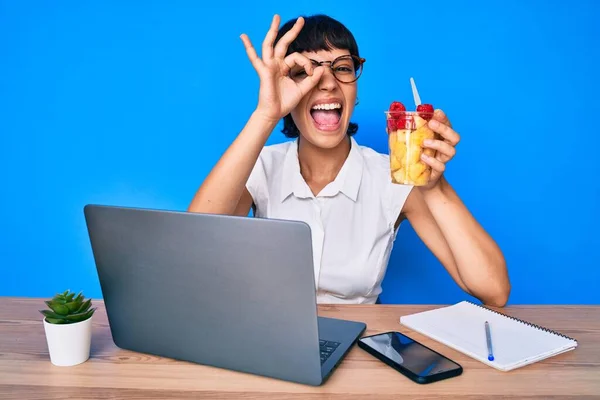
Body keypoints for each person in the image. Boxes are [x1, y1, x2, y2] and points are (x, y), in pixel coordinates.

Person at [187, 14, 510, 307]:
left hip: (361, 348)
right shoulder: (260, 166)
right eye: (305, 71)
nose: (327, 82)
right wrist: (266, 114)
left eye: (342, 67)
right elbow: (192, 244)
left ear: (355, 88)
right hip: (267, 339)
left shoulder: (394, 177)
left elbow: (493, 289)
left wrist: (435, 187)